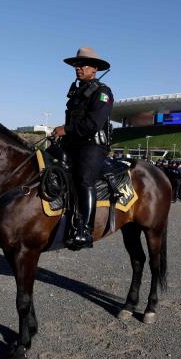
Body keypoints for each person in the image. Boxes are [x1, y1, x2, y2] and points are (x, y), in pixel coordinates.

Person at [51, 47, 113, 249]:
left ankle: (83, 229)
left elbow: (93, 124)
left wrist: (65, 130)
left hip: (93, 144)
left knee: (84, 178)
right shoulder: (77, 92)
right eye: (77, 65)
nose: (78, 68)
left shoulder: (103, 93)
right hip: (73, 142)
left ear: (94, 68)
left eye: (83, 65)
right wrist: (61, 134)